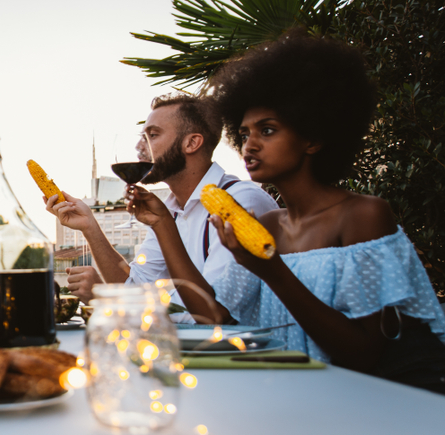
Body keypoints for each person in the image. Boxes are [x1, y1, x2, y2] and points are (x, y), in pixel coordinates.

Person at [142, 33, 445, 390]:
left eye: (268, 130)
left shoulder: (363, 215)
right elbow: (213, 315)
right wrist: (163, 224)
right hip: (293, 395)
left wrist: (272, 271)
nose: (250, 145)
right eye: (244, 133)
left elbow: (363, 355)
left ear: (312, 138)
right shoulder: (269, 223)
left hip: (366, 401)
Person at [46, 94, 277, 320]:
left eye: (153, 135)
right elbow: (134, 287)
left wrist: (106, 298)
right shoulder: (170, 210)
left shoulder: (241, 202)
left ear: (191, 143)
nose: (140, 146)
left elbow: (215, 314)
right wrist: (90, 227)